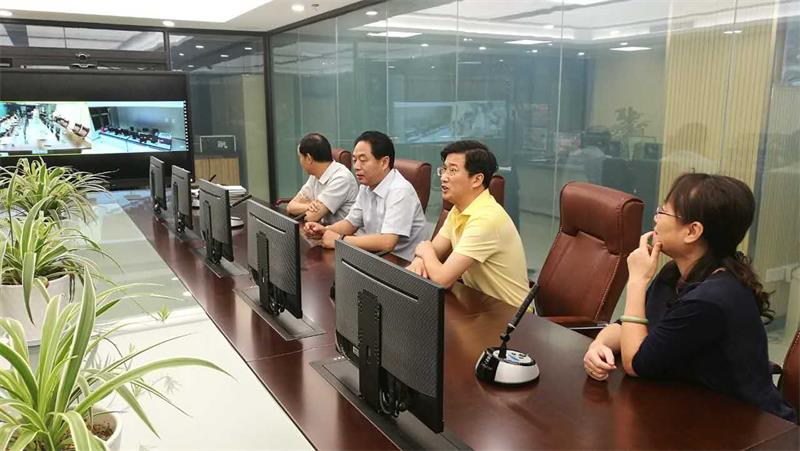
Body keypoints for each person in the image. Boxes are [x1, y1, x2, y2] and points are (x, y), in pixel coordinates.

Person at [583, 173, 797, 422]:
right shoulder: (675, 272)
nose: (656, 218)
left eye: (663, 211)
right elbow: (629, 325)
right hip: (695, 410)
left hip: (751, 426)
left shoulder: (710, 300)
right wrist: (599, 346)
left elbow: (637, 363)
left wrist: (637, 281)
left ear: (692, 231)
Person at [407, 140, 529, 307]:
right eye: (444, 169)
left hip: (511, 315)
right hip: (479, 303)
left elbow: (442, 279)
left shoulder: (486, 219)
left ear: (477, 179)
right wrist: (420, 259)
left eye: (452, 170)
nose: (443, 177)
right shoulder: (458, 209)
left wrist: (425, 251)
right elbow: (435, 250)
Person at [304, 131, 426, 261]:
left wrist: (339, 240)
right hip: (375, 257)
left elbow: (387, 242)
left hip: (402, 265)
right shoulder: (366, 187)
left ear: (384, 162)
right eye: (354, 160)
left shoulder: (400, 190)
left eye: (363, 160)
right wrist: (325, 230)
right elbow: (350, 224)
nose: (356, 167)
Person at [286, 133, 357, 224]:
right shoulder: (315, 175)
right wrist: (308, 206)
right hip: (323, 229)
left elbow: (312, 216)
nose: (300, 162)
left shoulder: (341, 178)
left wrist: (305, 206)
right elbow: (290, 206)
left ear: (309, 158)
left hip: (340, 232)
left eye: (300, 157)